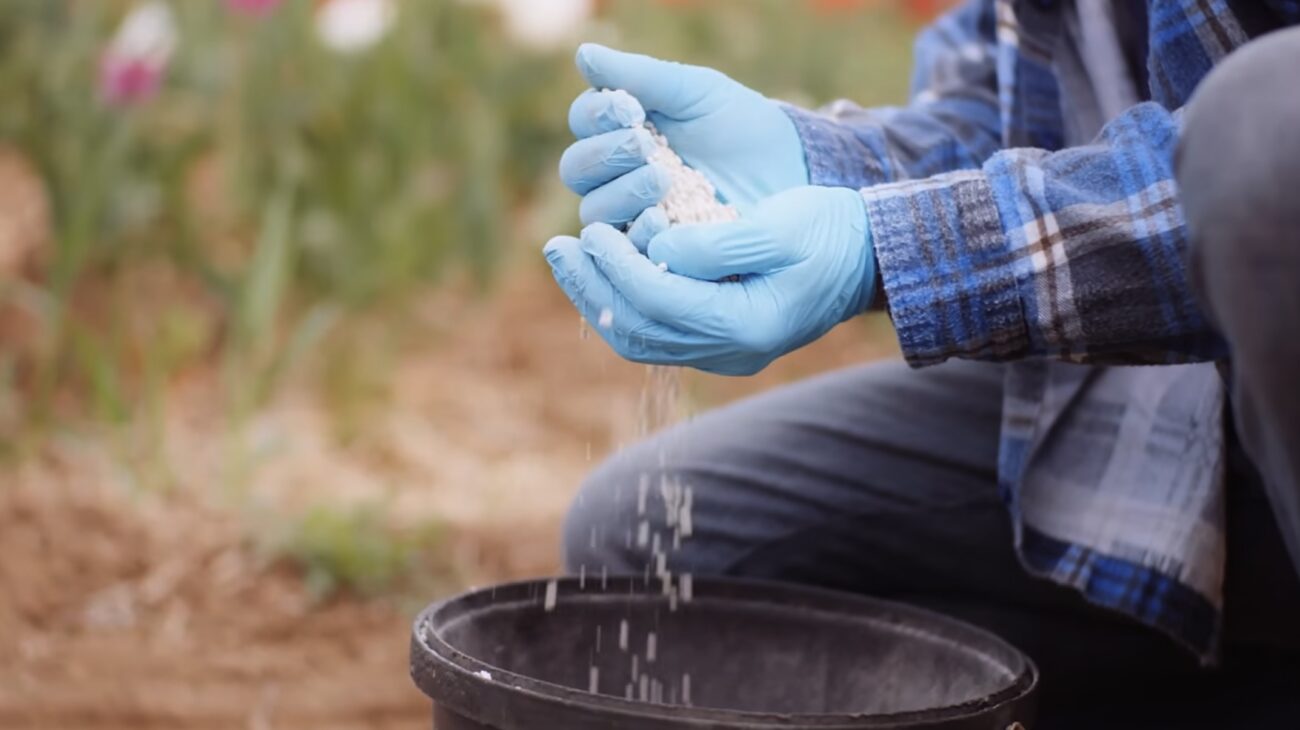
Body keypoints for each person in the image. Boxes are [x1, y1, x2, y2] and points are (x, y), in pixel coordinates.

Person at [544, 2, 1300, 727]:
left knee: (1263, 128)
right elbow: (1011, 105)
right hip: (1175, 413)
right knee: (647, 536)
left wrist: (889, 246)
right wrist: (820, 164)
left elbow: (1264, 163)